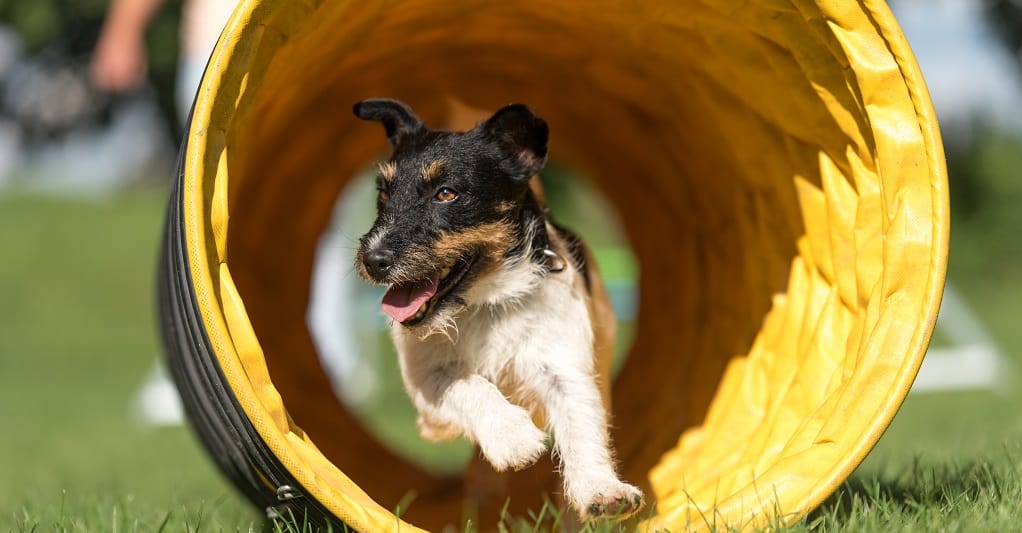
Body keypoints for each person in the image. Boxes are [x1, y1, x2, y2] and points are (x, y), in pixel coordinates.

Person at [91, 0, 238, 426]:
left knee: (311, 216)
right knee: (211, 219)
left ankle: (326, 361)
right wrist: (122, 30)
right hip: (215, 51)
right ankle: (193, 365)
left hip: (309, 46)